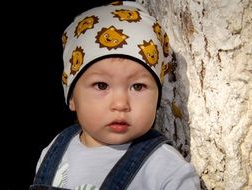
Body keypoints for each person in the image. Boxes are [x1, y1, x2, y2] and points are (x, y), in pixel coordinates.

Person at [30, 1, 200, 190]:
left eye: (137, 86)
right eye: (101, 85)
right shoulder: (56, 151)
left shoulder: (164, 169)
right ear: (72, 98)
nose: (120, 104)